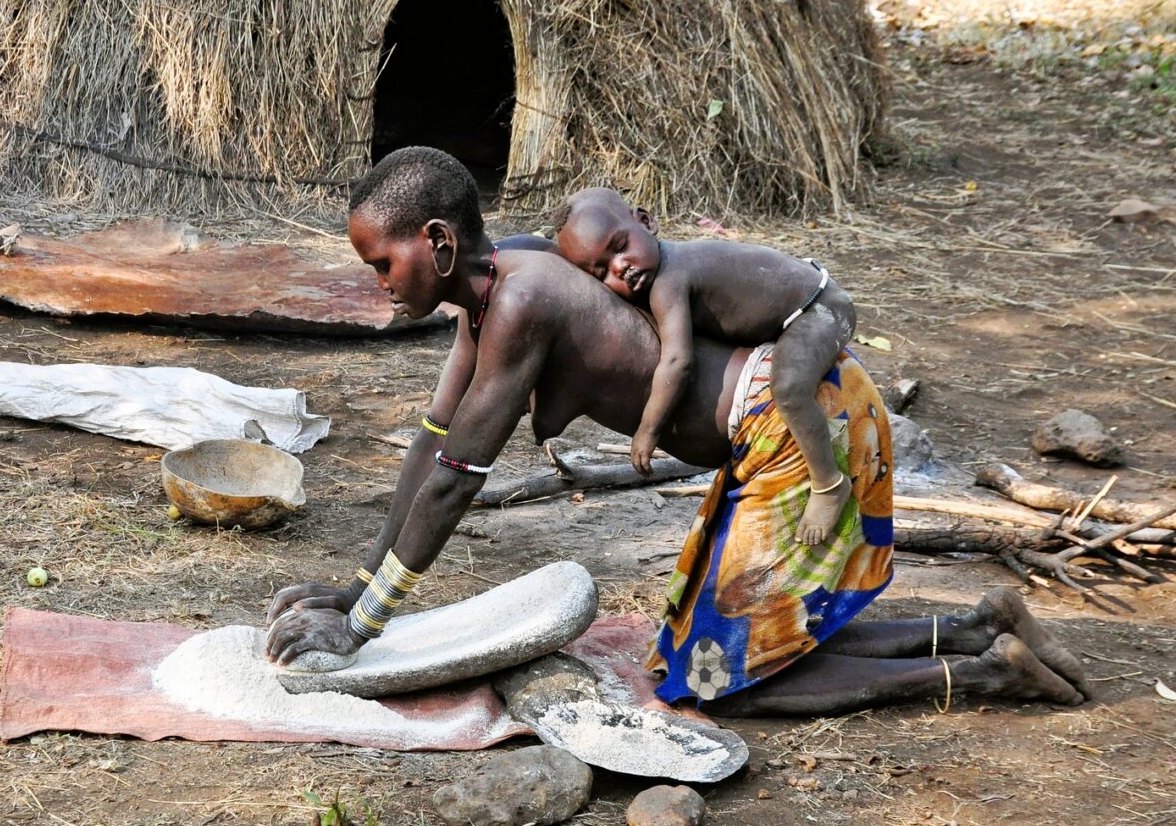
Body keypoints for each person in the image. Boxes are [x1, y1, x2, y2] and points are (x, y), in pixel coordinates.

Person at [265, 147, 1088, 715]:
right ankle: (979, 626)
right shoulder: (489, 294)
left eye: (382, 263)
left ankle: (983, 674)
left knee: (722, 677)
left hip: (798, 428)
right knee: (724, 653)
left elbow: (455, 477)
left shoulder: (520, 301)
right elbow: (431, 443)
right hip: (782, 423)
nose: (376, 283)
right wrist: (355, 587)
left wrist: (363, 628)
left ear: (438, 243)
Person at [554, 187, 856, 546]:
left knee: (789, 388)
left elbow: (678, 361)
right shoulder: (660, 277)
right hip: (802, 302)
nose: (620, 268)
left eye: (620, 247)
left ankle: (829, 484)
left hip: (819, 309)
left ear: (646, 222)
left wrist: (648, 429)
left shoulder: (669, 280)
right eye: (602, 272)